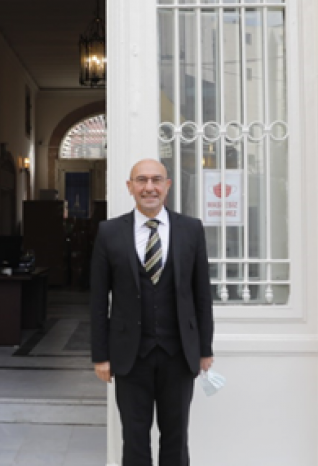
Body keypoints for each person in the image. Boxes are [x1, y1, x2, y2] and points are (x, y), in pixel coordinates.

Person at [90, 158, 215, 466]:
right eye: (141, 180)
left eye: (156, 180)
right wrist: (100, 355)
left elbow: (202, 294)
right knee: (134, 438)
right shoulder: (109, 232)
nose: (149, 187)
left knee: (176, 437)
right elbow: (98, 299)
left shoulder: (191, 229)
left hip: (179, 354)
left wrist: (205, 348)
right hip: (130, 356)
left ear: (167, 185)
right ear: (130, 186)